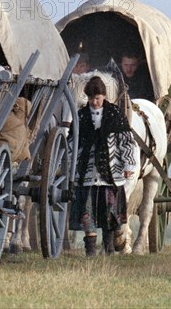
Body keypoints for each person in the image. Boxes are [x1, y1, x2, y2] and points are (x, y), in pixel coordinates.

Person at [68, 76, 137, 256]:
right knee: (87, 211)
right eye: (91, 99)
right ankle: (90, 250)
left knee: (109, 213)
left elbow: (126, 142)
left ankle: (108, 249)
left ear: (104, 96)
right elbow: (72, 142)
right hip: (87, 172)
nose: (94, 102)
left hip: (110, 173)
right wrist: (70, 164)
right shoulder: (81, 116)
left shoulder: (115, 114)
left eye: (97, 98)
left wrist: (128, 164)